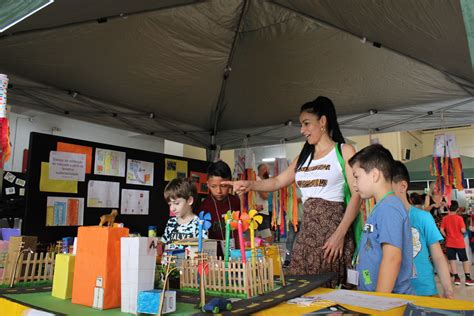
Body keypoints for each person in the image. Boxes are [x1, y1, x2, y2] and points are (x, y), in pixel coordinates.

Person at [224, 96, 360, 287]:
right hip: (306, 234)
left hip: (333, 232)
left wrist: (340, 235)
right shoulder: (303, 157)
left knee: (328, 292)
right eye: (301, 125)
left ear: (322, 121)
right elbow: (278, 181)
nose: (302, 130)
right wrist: (249, 184)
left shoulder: (344, 151)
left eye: (306, 124)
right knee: (301, 288)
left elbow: (357, 194)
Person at [348, 144, 414, 294]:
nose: (354, 183)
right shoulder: (383, 206)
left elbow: (392, 258)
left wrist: (379, 300)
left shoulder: (389, 207)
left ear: (375, 175)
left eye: (357, 176)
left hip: (388, 301)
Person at [392, 161, 453, 298]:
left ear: (402, 186)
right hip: (394, 292)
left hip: (424, 291)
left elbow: (437, 256)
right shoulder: (381, 219)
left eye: (386, 187)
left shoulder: (422, 217)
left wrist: (448, 289)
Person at [198, 160, 241, 242]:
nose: (219, 191)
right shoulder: (203, 207)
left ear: (231, 183)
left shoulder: (236, 202)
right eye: (213, 186)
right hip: (213, 253)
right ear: (208, 184)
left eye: (224, 186)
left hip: (235, 252)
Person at [161, 178, 208, 244]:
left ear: (189, 201)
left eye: (176, 203)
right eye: (170, 204)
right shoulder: (171, 222)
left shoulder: (199, 224)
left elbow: (203, 249)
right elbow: (163, 243)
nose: (172, 209)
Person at [440, 200, 473, 286]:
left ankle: (456, 278)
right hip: (459, 243)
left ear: (448, 208)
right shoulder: (459, 218)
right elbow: (463, 230)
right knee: (464, 260)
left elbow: (441, 229)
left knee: (452, 260)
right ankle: (468, 278)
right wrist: (464, 231)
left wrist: (446, 236)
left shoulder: (445, 218)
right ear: (457, 208)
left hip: (449, 243)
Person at [255, 163, 273, 242]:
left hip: (262, 213)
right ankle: (266, 254)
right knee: (268, 237)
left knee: (258, 239)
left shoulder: (260, 180)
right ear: (264, 170)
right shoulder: (258, 180)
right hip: (261, 213)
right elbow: (265, 196)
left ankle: (261, 253)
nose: (269, 173)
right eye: (268, 170)